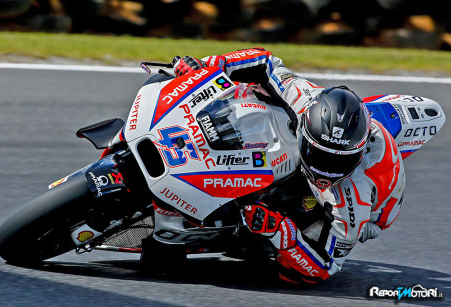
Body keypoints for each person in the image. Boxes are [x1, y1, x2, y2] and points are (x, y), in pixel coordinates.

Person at [170, 48, 405, 284]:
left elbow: (325, 267)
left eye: (339, 161)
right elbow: (265, 60)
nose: (326, 172)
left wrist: (281, 232)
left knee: (290, 272)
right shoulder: (302, 98)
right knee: (255, 93)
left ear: (359, 153)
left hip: (372, 212)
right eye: (319, 155)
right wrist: (208, 66)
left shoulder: (354, 202)